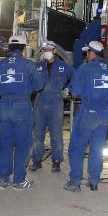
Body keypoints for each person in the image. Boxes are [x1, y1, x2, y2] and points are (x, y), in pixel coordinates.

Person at [0, 35, 47, 191]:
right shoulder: (29, 64)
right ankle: (19, 181)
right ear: (23, 48)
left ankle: (3, 180)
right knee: (23, 144)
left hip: (4, 106)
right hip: (22, 106)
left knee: (5, 144)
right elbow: (39, 86)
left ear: (8, 48)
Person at [64, 40, 108, 192]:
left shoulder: (85, 68)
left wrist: (70, 90)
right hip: (104, 113)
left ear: (92, 53)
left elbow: (76, 91)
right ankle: (93, 182)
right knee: (97, 148)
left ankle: (75, 182)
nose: (86, 56)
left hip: (88, 111)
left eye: (87, 53)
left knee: (77, 147)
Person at [29, 40, 74, 173]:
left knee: (56, 134)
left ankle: (56, 161)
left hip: (56, 101)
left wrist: (68, 89)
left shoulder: (63, 66)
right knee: (38, 134)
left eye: (48, 50)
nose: (46, 52)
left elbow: (76, 77)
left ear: (54, 51)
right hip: (40, 101)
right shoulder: (37, 66)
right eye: (44, 50)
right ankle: (37, 160)